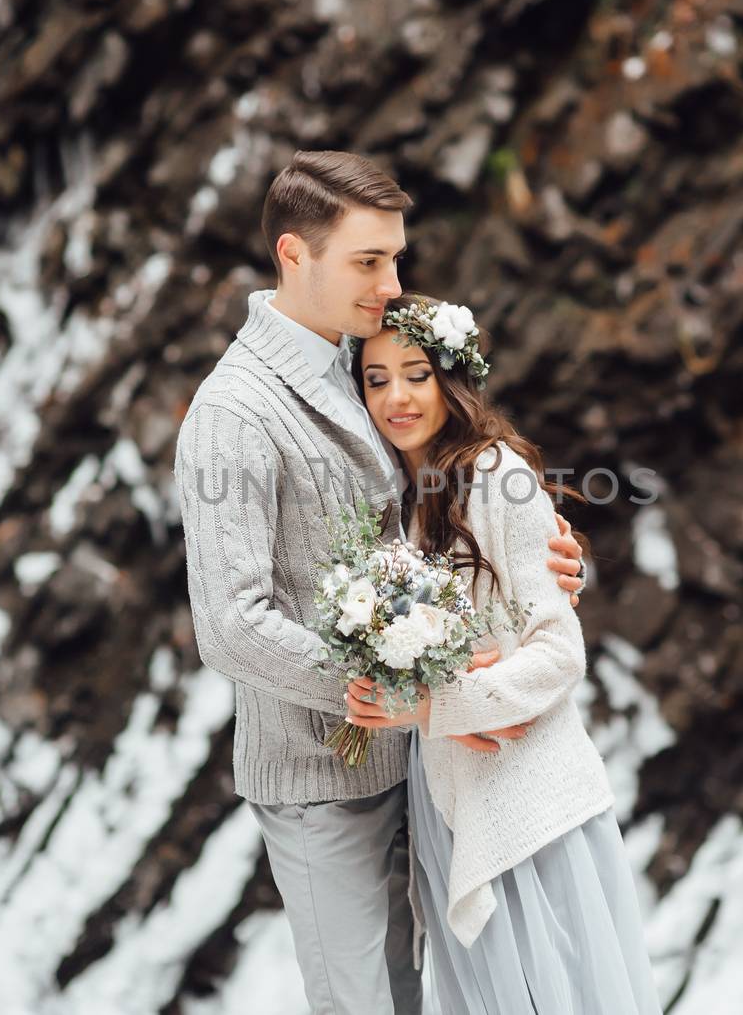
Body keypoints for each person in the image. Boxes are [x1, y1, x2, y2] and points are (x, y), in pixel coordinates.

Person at [173, 151, 587, 1015]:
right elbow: (232, 625)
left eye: (395, 257)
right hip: (321, 777)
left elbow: (451, 498)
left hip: (423, 770)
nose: (392, 282)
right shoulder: (233, 414)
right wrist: (406, 693)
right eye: (369, 262)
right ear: (295, 256)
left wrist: (545, 554)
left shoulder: (367, 359)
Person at [344, 292, 662, 1014]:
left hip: (529, 801)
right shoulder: (393, 501)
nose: (396, 396)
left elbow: (558, 654)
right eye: (376, 378)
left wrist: (432, 702)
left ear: (451, 378)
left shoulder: (498, 476)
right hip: (448, 793)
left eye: (416, 373)